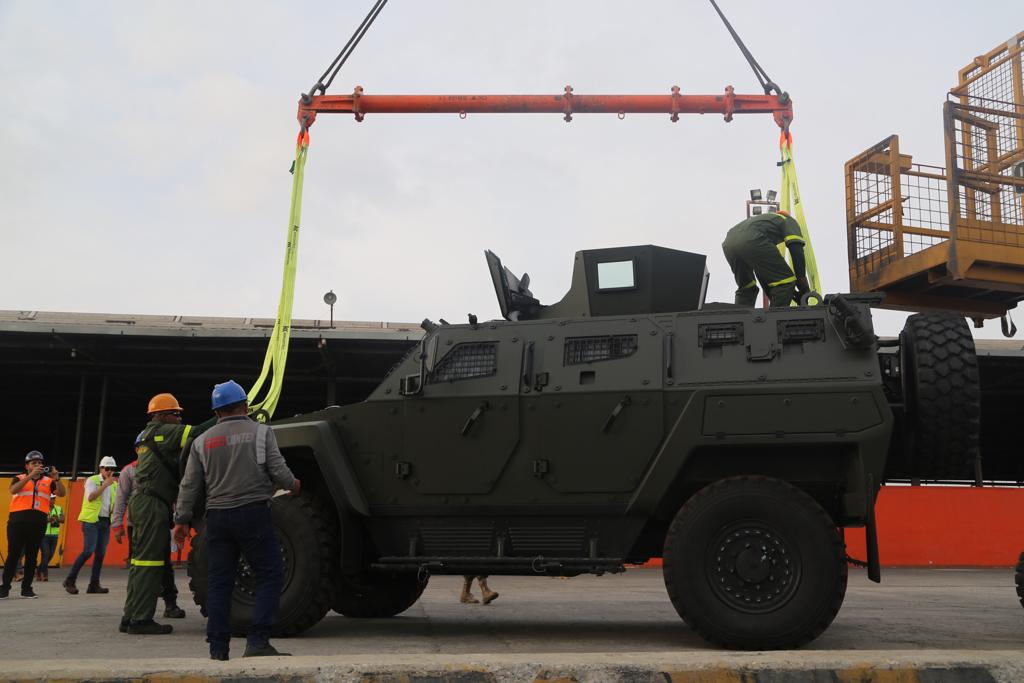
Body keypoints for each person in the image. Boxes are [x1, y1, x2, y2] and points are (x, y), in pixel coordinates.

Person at [174, 380, 300, 660]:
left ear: (216, 412)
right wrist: (293, 484)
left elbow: (189, 485)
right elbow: (278, 470)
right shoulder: (261, 432)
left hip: (217, 517)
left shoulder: (201, 441)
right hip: (253, 513)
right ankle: (257, 642)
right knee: (270, 574)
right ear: (245, 405)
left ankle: (218, 648)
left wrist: (181, 520)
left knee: (220, 582)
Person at [121, 392, 213, 635]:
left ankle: (130, 615)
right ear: (160, 415)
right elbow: (196, 432)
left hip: (143, 501)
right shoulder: (163, 432)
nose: (179, 418)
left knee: (140, 562)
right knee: (151, 562)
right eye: (175, 414)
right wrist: (223, 417)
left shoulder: (146, 435)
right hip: (152, 503)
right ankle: (141, 620)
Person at [112, 450, 185, 629]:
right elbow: (121, 498)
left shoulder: (161, 468)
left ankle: (168, 604)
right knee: (143, 565)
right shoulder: (129, 470)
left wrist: (177, 520)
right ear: (137, 450)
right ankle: (139, 616)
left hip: (156, 520)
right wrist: (117, 525)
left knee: (161, 565)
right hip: (140, 522)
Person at [2, 451, 66, 599]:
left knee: (32, 557)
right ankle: (4, 588)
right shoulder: (19, 478)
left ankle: (26, 589)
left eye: (39, 463)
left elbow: (62, 493)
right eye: (34, 463)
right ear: (27, 466)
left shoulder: (48, 481)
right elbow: (13, 490)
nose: (38, 465)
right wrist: (30, 477)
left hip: (38, 523)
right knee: (13, 555)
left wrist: (57, 479)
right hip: (17, 522)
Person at [722, 210, 810, 308]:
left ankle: (738, 319)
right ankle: (774, 320)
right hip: (752, 238)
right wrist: (802, 282)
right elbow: (796, 248)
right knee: (786, 281)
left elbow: (765, 275)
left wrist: (789, 294)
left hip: (729, 243)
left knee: (747, 287)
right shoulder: (789, 220)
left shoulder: (764, 221)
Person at [63, 455, 118, 595]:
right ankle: (70, 579)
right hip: (91, 520)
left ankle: (94, 584)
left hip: (105, 521)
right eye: (107, 468)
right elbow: (91, 497)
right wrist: (105, 484)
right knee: (88, 550)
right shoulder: (92, 480)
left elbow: (115, 503)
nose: (109, 471)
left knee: (100, 553)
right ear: (101, 468)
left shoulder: (115, 485)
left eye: (112, 469)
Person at [38, 494, 64, 582]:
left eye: (53, 499)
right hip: (43, 535)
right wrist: (49, 519)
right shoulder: (42, 507)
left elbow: (63, 519)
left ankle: (38, 570)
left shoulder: (59, 508)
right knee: (45, 554)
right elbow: (39, 519)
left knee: (51, 555)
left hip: (54, 535)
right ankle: (44, 573)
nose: (52, 500)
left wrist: (56, 519)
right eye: (50, 499)